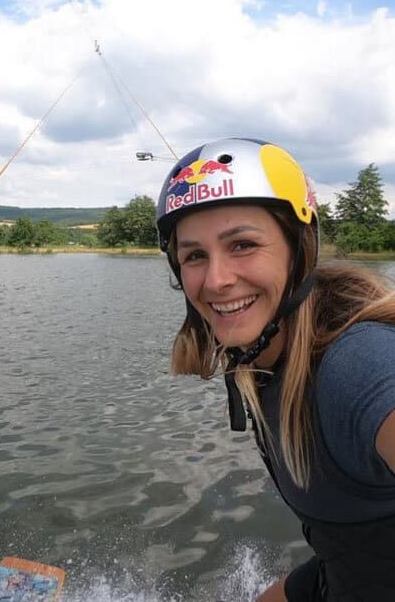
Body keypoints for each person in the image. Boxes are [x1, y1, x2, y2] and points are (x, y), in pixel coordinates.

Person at [155, 138, 395, 601]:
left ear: (297, 250)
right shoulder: (261, 361)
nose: (217, 280)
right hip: (344, 572)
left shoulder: (359, 364)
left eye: (242, 244)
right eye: (194, 255)